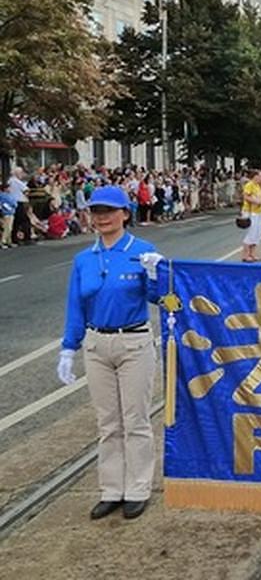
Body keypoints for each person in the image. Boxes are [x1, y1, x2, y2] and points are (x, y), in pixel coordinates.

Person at [56, 186, 164, 520]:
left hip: (133, 342)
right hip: (97, 344)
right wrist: (68, 348)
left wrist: (155, 273)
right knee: (108, 422)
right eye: (96, 211)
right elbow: (77, 305)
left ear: (125, 214)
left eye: (109, 210)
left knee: (136, 419)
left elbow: (159, 298)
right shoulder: (84, 259)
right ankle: (112, 489)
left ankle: (138, 488)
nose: (101, 217)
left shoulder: (142, 250)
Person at [240, 169, 261, 262]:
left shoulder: (258, 186)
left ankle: (253, 253)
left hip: (258, 211)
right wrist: (255, 201)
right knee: (251, 232)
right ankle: (245, 254)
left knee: (257, 233)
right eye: (260, 175)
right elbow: (246, 196)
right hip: (250, 211)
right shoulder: (250, 185)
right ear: (255, 176)